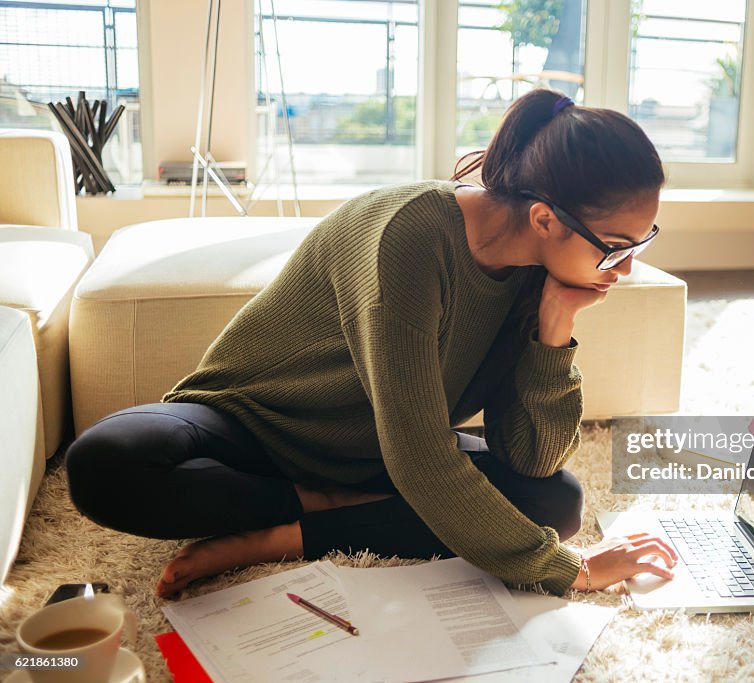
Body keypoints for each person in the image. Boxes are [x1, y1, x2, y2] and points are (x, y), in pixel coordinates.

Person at [65, 88, 678, 599]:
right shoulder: (410, 237)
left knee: (557, 500)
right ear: (545, 218)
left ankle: (288, 533)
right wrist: (571, 569)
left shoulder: (540, 278)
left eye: (640, 243)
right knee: (105, 463)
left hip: (379, 453)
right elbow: (421, 459)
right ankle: (326, 505)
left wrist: (554, 329)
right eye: (615, 246)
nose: (623, 270)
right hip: (256, 425)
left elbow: (531, 460)